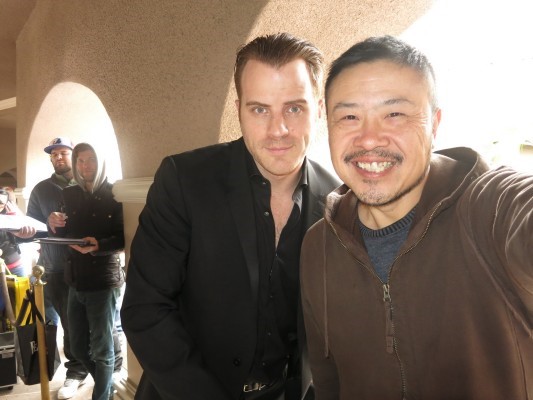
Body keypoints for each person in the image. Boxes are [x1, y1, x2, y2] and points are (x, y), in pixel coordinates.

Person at [300, 35, 533, 400]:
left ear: (434, 124)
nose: (369, 139)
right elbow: (328, 380)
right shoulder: (319, 245)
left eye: (394, 114)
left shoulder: (489, 208)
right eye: (349, 117)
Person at [121, 32, 340, 400]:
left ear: (318, 109)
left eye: (294, 108)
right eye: (259, 109)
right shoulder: (184, 180)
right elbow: (145, 310)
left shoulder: (339, 203)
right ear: (239, 110)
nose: (278, 130)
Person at [48, 142, 125, 400]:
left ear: (100, 161)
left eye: (90, 159)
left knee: (102, 350)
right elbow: (62, 232)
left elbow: (124, 237)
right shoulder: (69, 194)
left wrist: (99, 245)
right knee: (79, 348)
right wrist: (53, 223)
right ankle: (107, 384)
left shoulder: (115, 193)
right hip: (74, 280)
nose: (85, 165)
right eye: (80, 160)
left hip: (103, 280)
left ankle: (102, 395)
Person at [26, 137, 91, 399]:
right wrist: (44, 222)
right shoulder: (40, 189)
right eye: (54, 155)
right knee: (69, 322)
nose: (58, 158)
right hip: (55, 267)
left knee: (100, 322)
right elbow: (30, 229)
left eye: (63, 153)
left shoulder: (89, 183)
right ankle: (76, 372)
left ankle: (108, 367)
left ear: (74, 156)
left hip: (90, 265)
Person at [0, 187, 35, 326]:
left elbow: (26, 234)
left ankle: (22, 333)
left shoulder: (10, 217)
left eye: (1, 203)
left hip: (15, 266)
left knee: (22, 303)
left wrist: (14, 216)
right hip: (3, 269)